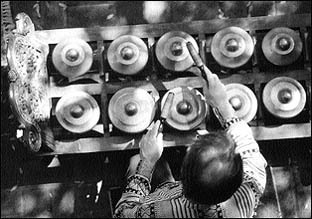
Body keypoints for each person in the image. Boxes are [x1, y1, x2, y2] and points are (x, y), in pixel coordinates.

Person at [113, 65, 267, 218]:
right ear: (239, 176)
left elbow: (123, 214)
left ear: (184, 182)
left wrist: (147, 163)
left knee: (136, 162)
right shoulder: (251, 187)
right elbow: (245, 143)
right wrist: (221, 103)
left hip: (162, 197)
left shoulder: (160, 211)